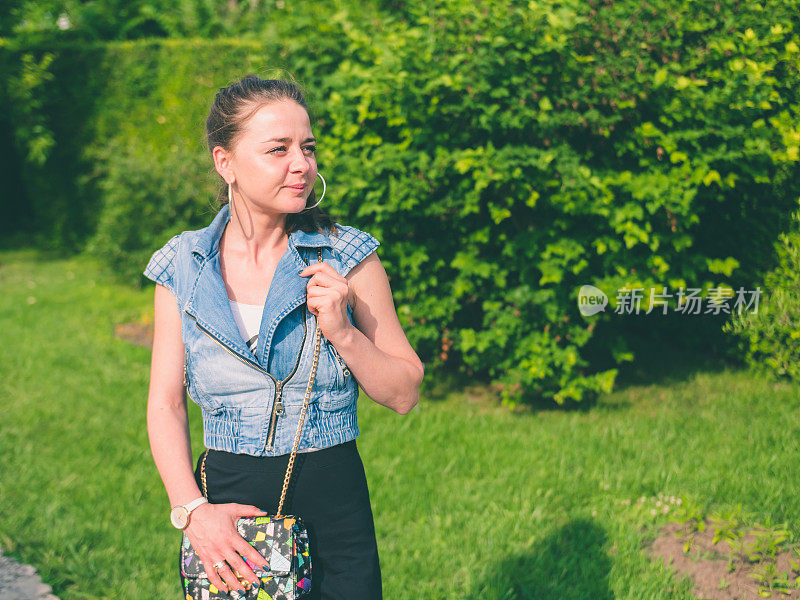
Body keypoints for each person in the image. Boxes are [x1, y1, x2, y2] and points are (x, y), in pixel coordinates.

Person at [143, 74, 424, 599]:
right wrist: (192, 511)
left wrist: (342, 329)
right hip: (227, 517)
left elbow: (404, 392)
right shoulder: (183, 266)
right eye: (279, 149)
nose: (302, 164)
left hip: (336, 504)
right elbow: (165, 404)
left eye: (307, 148)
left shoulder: (346, 257)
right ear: (224, 161)